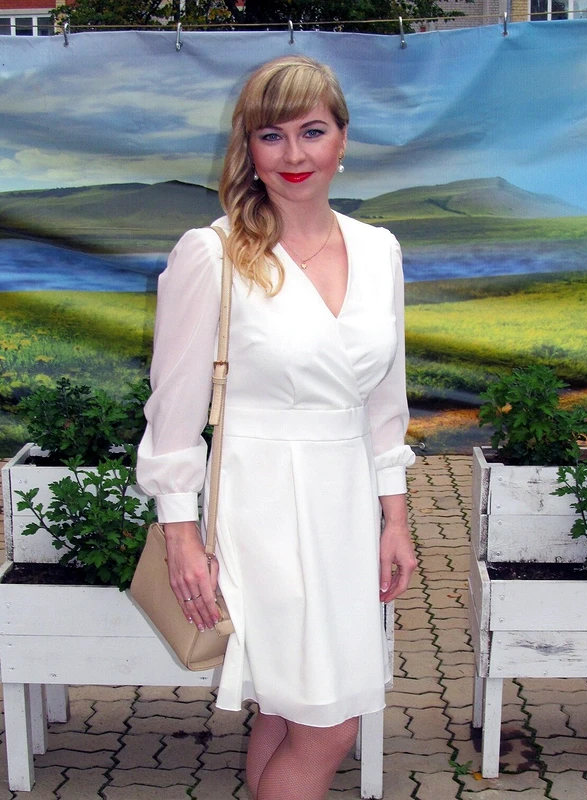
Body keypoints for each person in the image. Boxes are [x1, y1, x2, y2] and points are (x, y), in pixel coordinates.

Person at [137, 55, 417, 800]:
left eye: (312, 131)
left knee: (291, 711)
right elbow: (173, 415)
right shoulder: (213, 254)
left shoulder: (379, 250)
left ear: (343, 140)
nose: (294, 154)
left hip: (344, 509)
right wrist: (181, 536)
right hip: (261, 509)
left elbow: (383, 404)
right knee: (328, 726)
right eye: (272, 135)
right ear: (249, 148)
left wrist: (394, 519)